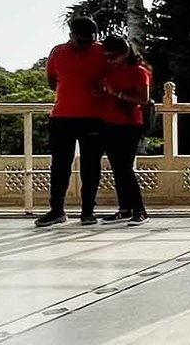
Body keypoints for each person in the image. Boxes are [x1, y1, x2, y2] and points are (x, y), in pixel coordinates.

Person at [37, 17, 108, 227]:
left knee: (91, 166)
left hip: (94, 117)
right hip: (62, 117)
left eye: (91, 40)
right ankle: (57, 210)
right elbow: (52, 81)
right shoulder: (57, 52)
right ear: (71, 36)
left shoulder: (102, 52)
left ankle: (88, 211)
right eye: (82, 40)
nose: (87, 44)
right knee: (59, 165)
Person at [97, 36, 152, 225]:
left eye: (113, 57)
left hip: (129, 124)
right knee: (117, 169)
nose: (110, 60)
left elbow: (143, 98)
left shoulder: (138, 71)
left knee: (125, 169)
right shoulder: (109, 71)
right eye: (107, 57)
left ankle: (139, 209)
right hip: (108, 122)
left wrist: (118, 94)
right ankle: (125, 208)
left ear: (125, 53)